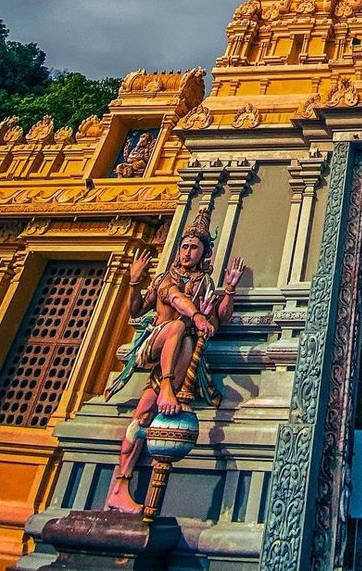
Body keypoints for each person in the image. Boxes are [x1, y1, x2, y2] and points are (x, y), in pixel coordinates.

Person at [104, 209, 246, 513]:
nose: (187, 252)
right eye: (184, 246)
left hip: (181, 357)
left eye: (194, 247)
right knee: (179, 326)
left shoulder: (205, 283)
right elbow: (147, 307)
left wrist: (229, 291)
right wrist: (133, 283)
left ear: (203, 252)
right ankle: (168, 387)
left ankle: (119, 488)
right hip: (155, 343)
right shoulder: (166, 277)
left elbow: (216, 322)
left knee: (141, 416)